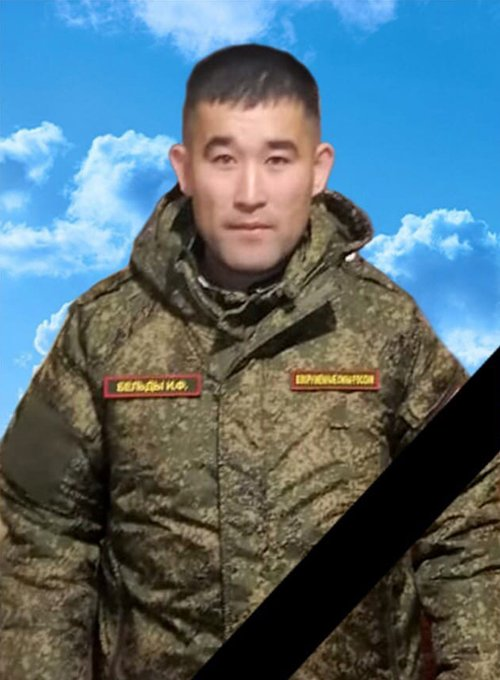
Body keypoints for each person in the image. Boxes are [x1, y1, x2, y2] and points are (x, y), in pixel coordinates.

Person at [0, 43, 498, 680]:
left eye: (277, 159)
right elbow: (37, 537)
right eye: (224, 158)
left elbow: (472, 526)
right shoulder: (101, 334)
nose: (250, 194)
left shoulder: (386, 328)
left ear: (318, 170)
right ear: (185, 169)